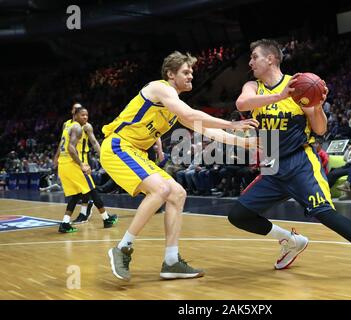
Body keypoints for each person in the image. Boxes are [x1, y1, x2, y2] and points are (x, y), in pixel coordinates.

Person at [227, 39, 351, 283]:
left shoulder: (299, 85)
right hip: (272, 166)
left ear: (270, 59)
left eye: (254, 56)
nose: (250, 61)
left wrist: (316, 104)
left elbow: (319, 129)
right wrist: (279, 96)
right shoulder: (253, 87)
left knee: (324, 213)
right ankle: (291, 240)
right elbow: (241, 104)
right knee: (238, 215)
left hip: (300, 162)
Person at [100, 51, 258, 281]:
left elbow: (206, 129)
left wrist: (245, 141)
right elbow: (190, 113)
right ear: (170, 74)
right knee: (162, 190)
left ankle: (171, 261)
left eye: (192, 72)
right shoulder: (160, 88)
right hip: (118, 146)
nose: (191, 76)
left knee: (177, 193)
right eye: (186, 72)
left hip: (136, 152)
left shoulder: (174, 108)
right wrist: (232, 123)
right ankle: (122, 248)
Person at [57, 107, 118, 233]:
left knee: (77, 194)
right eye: (83, 115)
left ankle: (65, 223)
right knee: (93, 190)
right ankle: (106, 219)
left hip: (63, 164)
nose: (85, 117)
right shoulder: (77, 127)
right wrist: (81, 164)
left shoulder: (69, 126)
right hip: (74, 163)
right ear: (75, 115)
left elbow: (94, 142)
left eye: (87, 115)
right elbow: (70, 148)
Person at [54, 103, 94, 223]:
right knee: (79, 189)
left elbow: (94, 142)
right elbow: (62, 143)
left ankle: (85, 212)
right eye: (75, 108)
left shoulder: (86, 126)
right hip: (71, 159)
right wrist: (56, 156)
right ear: (73, 111)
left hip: (83, 158)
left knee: (87, 189)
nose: (84, 116)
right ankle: (87, 209)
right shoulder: (66, 124)